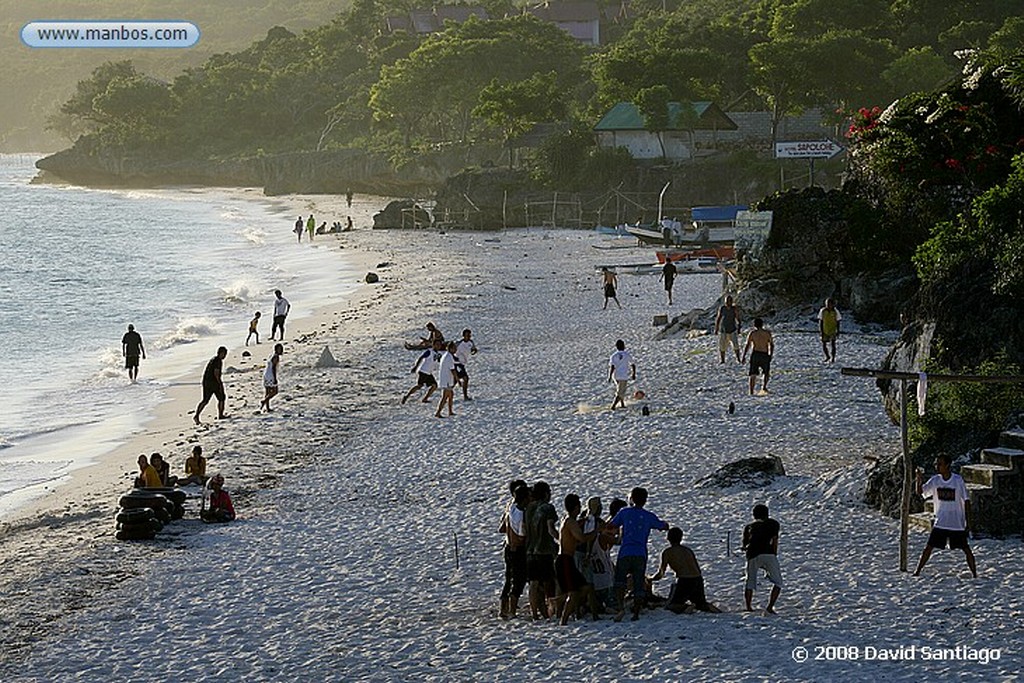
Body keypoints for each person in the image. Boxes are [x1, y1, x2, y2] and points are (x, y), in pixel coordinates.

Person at [608, 487, 669, 622]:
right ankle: (636, 612)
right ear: (645, 500)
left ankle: (621, 607)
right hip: (640, 553)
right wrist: (665, 525)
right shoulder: (648, 516)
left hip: (625, 552)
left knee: (619, 582)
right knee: (638, 582)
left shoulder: (624, 512)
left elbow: (611, 525)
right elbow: (662, 526)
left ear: (632, 499)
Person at [913, 453, 977, 578]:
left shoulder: (957, 480)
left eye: (940, 464)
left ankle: (974, 574)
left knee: (966, 549)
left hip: (956, 523)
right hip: (940, 521)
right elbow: (921, 492)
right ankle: (918, 571)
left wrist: (968, 523)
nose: (937, 466)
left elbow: (967, 501)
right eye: (936, 464)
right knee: (929, 547)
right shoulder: (935, 480)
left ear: (947, 465)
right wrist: (918, 479)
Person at [651, 527, 721, 614]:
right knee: (701, 604)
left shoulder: (667, 552)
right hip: (697, 578)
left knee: (673, 605)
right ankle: (708, 607)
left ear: (668, 538)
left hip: (685, 579)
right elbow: (697, 568)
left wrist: (651, 579)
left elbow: (661, 573)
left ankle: (686, 608)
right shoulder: (688, 550)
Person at [556, 494, 599, 624]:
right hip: (564, 560)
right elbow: (582, 538)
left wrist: (583, 521)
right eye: (579, 506)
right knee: (573, 592)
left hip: (567, 560)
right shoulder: (570, 521)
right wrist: (596, 531)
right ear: (575, 507)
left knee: (584, 587)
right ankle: (563, 619)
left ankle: (569, 611)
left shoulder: (568, 520)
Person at [525, 481, 559, 620]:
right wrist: (560, 539)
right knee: (548, 581)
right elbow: (550, 528)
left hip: (530, 550)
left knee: (534, 583)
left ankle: (534, 613)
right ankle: (550, 610)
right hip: (544, 549)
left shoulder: (529, 508)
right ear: (546, 494)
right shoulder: (548, 508)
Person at [742, 504, 782, 614]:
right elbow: (775, 540)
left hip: (753, 554)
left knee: (750, 581)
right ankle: (770, 607)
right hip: (769, 554)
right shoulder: (774, 524)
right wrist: (774, 553)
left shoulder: (749, 527)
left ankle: (749, 607)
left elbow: (745, 544)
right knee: (778, 582)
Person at [498, 480, 529, 619]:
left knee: (508, 578)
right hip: (518, 549)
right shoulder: (521, 514)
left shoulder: (510, 507)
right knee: (518, 580)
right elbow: (522, 535)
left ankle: (503, 608)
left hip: (508, 547)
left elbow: (502, 528)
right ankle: (511, 610)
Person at [401, 339, 442, 405]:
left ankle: (425, 398)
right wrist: (416, 367)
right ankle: (407, 396)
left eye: (439, 345)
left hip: (429, 372)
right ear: (433, 345)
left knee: (434, 386)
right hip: (423, 371)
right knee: (419, 385)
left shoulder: (438, 354)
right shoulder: (429, 351)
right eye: (437, 345)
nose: (438, 346)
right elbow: (421, 358)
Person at [194, 346, 228, 424]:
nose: (225, 356)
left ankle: (196, 415)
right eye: (224, 354)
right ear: (221, 353)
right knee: (222, 397)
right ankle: (220, 415)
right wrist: (220, 383)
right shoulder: (218, 361)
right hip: (213, 382)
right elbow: (216, 373)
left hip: (206, 382)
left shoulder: (213, 359)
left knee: (205, 400)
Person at [741, 318, 775, 395]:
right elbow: (772, 345)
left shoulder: (752, 333)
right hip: (764, 353)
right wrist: (771, 354)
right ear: (762, 324)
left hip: (755, 354)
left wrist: (744, 356)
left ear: (754, 325)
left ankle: (751, 391)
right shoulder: (767, 333)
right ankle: (764, 387)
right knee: (766, 372)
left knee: (753, 374)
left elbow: (748, 345)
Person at [608, 339, 636, 411]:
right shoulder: (627, 355)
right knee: (621, 391)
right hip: (623, 376)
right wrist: (633, 373)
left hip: (616, 375)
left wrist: (610, 376)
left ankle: (622, 404)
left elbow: (612, 367)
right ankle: (613, 406)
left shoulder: (613, 356)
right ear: (623, 346)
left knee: (620, 389)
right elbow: (633, 365)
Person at [714, 295, 741, 364]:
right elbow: (718, 318)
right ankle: (722, 360)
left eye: (730, 301)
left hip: (732, 329)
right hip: (723, 330)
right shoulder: (722, 308)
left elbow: (738, 318)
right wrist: (716, 328)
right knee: (722, 346)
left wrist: (739, 327)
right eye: (727, 301)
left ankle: (738, 359)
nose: (728, 303)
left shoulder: (734, 309)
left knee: (736, 345)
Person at [435, 341, 458, 418]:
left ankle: (450, 411)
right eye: (454, 348)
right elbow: (453, 370)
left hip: (445, 378)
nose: (456, 350)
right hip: (447, 380)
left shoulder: (446, 355)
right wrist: (457, 379)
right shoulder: (449, 357)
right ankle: (438, 412)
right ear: (451, 349)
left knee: (451, 395)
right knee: (445, 397)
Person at [260, 343, 284, 412]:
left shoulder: (271, 355)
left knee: (267, 392)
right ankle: (264, 401)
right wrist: (275, 378)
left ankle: (267, 408)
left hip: (266, 374)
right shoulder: (276, 357)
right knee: (275, 391)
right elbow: (273, 368)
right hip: (270, 375)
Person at [454, 329, 477, 400]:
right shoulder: (459, 343)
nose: (468, 336)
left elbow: (473, 349)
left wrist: (474, 351)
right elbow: (451, 350)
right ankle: (465, 396)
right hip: (457, 363)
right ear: (463, 336)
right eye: (467, 335)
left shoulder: (471, 342)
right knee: (465, 378)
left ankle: (447, 394)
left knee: (455, 380)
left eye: (469, 335)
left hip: (462, 363)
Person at [818, 298, 842, 363]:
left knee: (833, 344)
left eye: (830, 304)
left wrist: (838, 331)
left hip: (832, 330)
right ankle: (827, 356)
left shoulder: (835, 311)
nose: (828, 305)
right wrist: (821, 331)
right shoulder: (823, 311)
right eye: (827, 304)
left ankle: (833, 358)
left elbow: (838, 321)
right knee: (824, 344)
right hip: (825, 329)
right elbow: (821, 321)